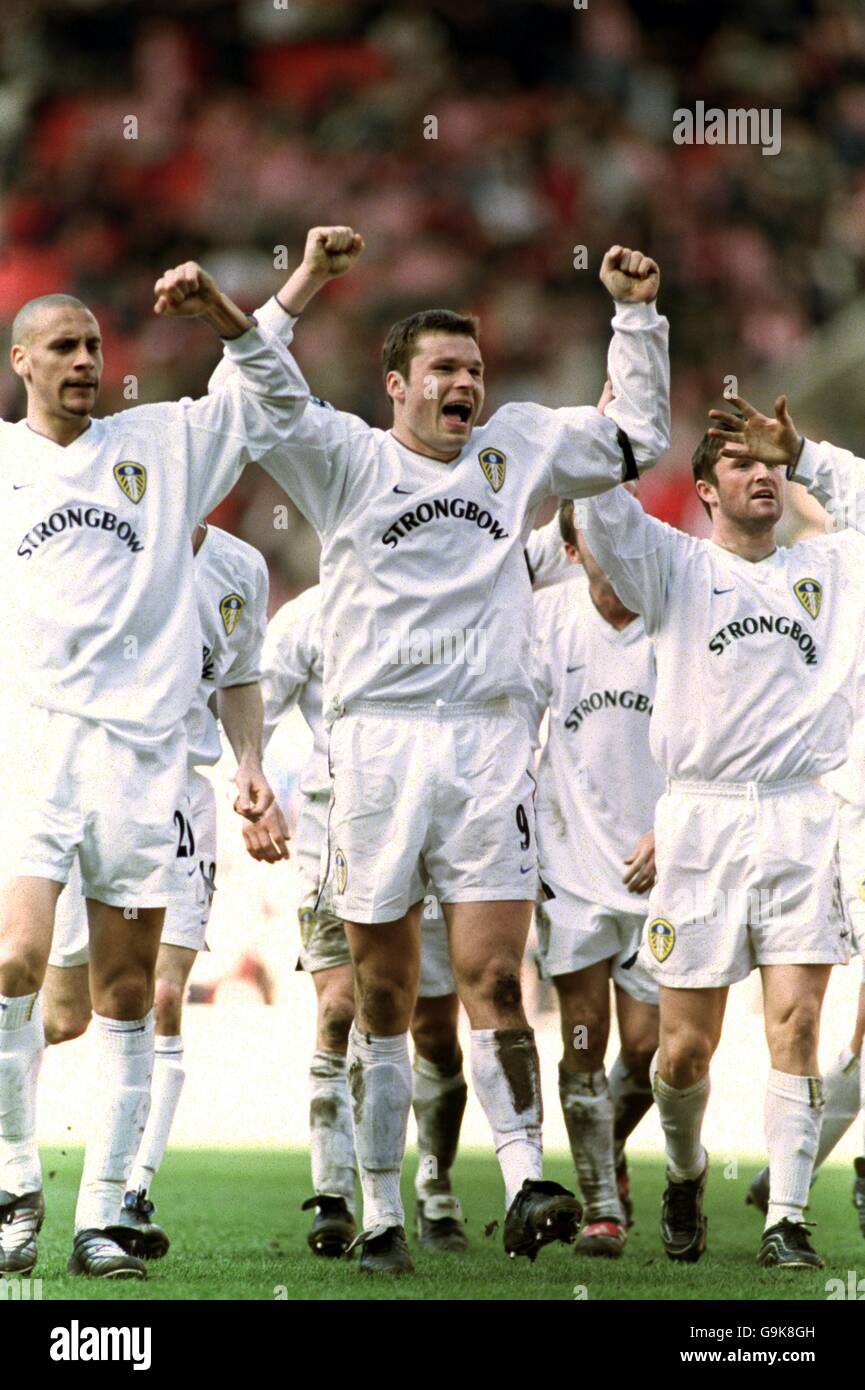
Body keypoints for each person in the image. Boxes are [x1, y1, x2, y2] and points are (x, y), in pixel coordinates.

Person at [210, 225, 670, 1273]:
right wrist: (302, 283)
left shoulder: (518, 445)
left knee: (495, 977)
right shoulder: (345, 459)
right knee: (379, 998)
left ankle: (525, 1179)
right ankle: (378, 1208)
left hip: (487, 747)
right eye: (443, 370)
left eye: (473, 368)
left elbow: (637, 434)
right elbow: (255, 390)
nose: (463, 383)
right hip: (374, 752)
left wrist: (634, 316)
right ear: (397, 386)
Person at [0, 263, 304, 1279]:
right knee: (14, 962)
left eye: (94, 346)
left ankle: (98, 1215)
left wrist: (252, 303)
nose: (86, 361)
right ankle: (12, 1177)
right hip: (37, 745)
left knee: (130, 996)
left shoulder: (160, 445)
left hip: (141, 762)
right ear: (21, 363)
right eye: (64, 347)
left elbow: (270, 394)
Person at [578, 400, 865, 1270]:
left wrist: (806, 451)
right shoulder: (673, 567)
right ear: (703, 490)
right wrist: (622, 387)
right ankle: (682, 1168)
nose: (762, 475)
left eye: (769, 464)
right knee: (683, 1050)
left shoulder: (828, 567)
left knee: (796, 1022)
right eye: (740, 464)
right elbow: (597, 506)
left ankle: (785, 1219)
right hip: (699, 821)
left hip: (797, 814)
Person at [41, 521, 273, 1267]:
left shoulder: (240, 568)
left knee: (158, 995)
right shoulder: (107, 536)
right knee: (63, 1014)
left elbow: (238, 680)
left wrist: (249, 763)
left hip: (178, 797)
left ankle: (123, 1200)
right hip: (89, 780)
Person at [244, 584, 470, 1259]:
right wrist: (252, 786)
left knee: (431, 1027)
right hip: (326, 831)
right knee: (340, 1007)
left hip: (421, 825)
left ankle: (434, 1180)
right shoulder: (307, 617)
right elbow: (253, 700)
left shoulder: (434, 602)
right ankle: (337, 1195)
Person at [708, 393, 865, 1237]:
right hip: (850, 805)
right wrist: (799, 453)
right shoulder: (839, 566)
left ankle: (796, 1160)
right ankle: (793, 1186)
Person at [531, 498, 661, 1258]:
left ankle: (602, 1148)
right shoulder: (547, 619)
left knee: (646, 1049)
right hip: (573, 864)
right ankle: (601, 1208)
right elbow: (518, 717)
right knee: (583, 1034)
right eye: (596, 543)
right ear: (574, 549)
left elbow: (709, 738)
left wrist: (670, 828)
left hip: (656, 869)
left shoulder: (673, 622)